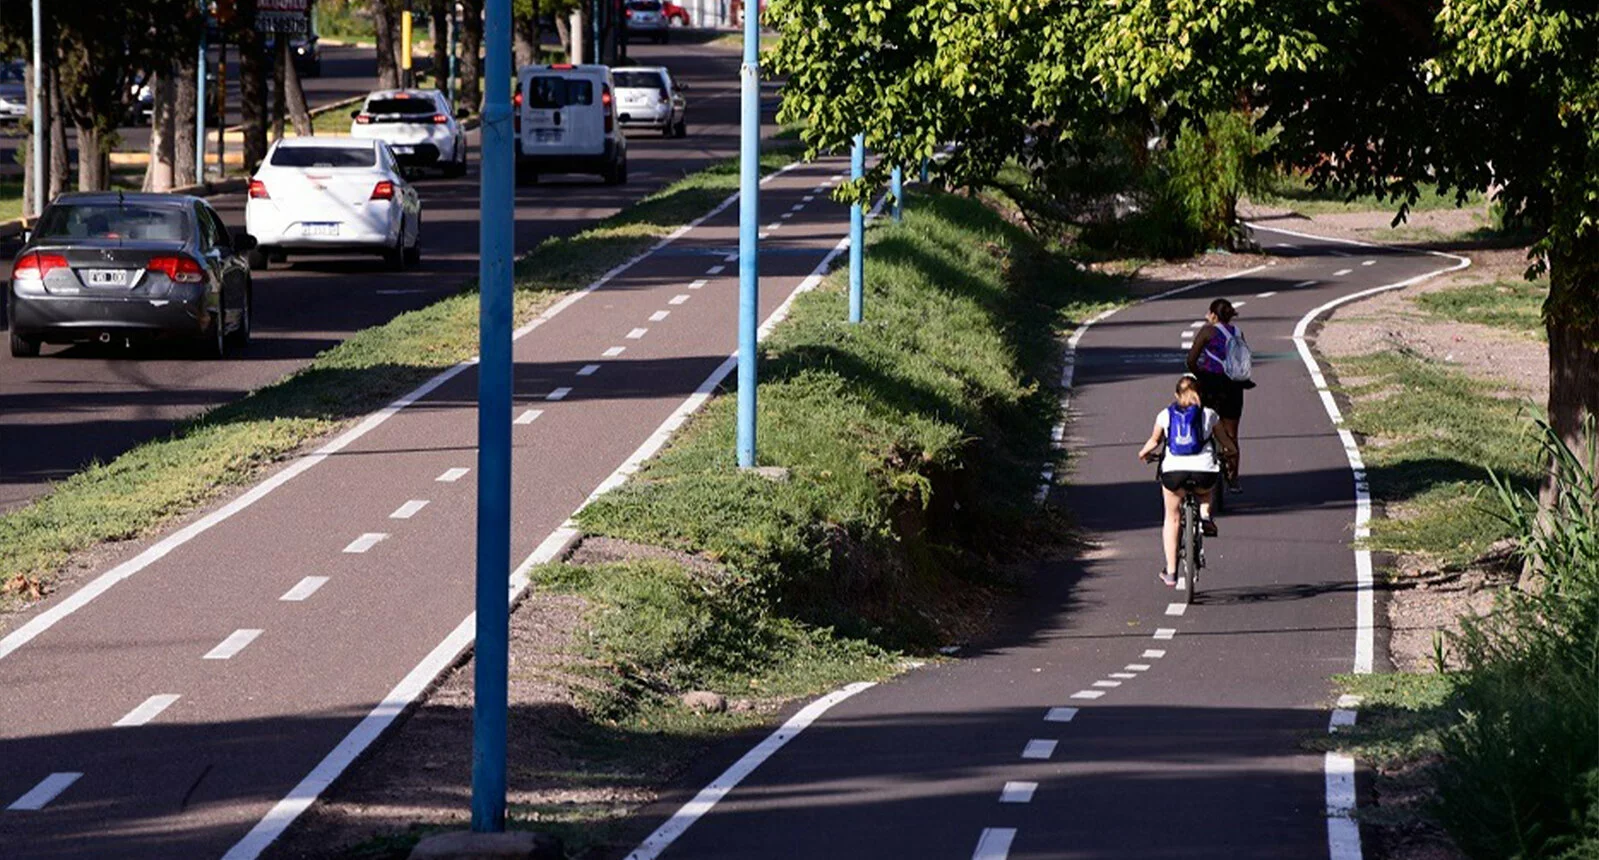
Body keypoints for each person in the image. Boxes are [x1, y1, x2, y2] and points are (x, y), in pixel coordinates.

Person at [1137, 375, 1234, 587]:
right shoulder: (1209, 415)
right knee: (1205, 491)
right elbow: (1224, 440)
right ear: (1200, 394)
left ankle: (1171, 571)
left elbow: (1154, 441)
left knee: (1171, 518)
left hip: (1174, 474)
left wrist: (1143, 454)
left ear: (1176, 395)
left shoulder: (1165, 415)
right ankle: (1206, 515)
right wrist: (1232, 451)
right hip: (1203, 473)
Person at [1186, 298, 1249, 490]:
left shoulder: (1207, 331)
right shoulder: (1238, 333)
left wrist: (1201, 376)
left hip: (1210, 385)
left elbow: (1191, 360)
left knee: (1201, 424)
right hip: (1234, 386)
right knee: (1232, 433)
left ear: (1213, 314)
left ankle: (1198, 465)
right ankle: (1233, 478)